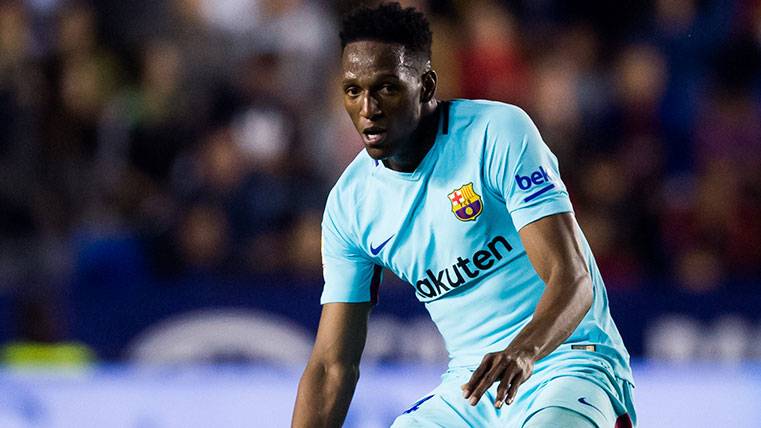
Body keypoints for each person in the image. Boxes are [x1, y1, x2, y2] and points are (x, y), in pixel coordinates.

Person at [292, 3, 636, 427]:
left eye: (386, 88)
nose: (368, 108)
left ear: (426, 85)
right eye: (352, 91)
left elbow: (573, 278)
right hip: (472, 384)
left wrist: (523, 350)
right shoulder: (350, 205)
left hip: (570, 360)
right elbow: (331, 367)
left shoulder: (497, 133)